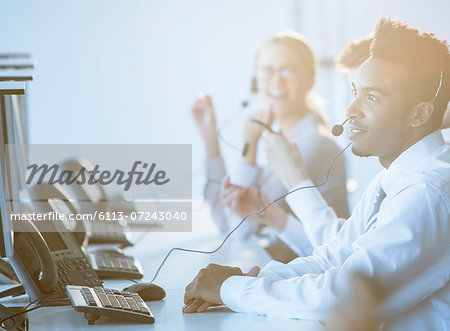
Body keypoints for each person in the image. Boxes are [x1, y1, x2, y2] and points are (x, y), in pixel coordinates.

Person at [183, 17, 450, 330]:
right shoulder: (391, 178)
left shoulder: (427, 192)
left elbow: (342, 294)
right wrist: (242, 282)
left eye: (372, 97)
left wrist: (231, 289)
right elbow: (331, 257)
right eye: (355, 92)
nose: (351, 110)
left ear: (419, 114)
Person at [191, 31, 349, 260]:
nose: (276, 82)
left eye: (288, 71)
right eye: (267, 71)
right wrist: (210, 138)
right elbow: (225, 218)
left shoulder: (312, 144)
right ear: (255, 81)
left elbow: (239, 227)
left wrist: (249, 147)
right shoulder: (283, 135)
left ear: (310, 80)